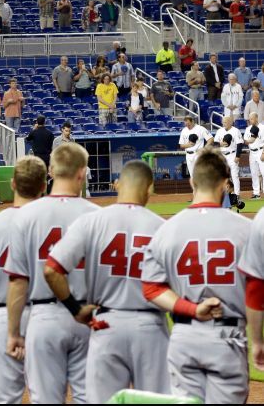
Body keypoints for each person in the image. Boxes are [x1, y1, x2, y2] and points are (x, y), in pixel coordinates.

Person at [45, 160, 169, 403]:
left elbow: (52, 270)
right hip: (151, 327)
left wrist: (76, 309)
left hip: (106, 324)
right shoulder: (163, 228)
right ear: (150, 189)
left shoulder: (91, 221)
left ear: (117, 184)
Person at [142, 150, 250, 404]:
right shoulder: (248, 230)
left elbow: (151, 288)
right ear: (226, 183)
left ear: (192, 181)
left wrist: (193, 308)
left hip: (184, 336)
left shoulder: (167, 229)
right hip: (229, 337)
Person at [5, 143, 98, 403]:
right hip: (88, 316)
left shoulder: (26, 215)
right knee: (90, 397)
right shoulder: (98, 216)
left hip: (43, 317)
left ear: (52, 172)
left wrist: (13, 332)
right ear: (82, 173)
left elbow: (17, 281)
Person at [0, 157, 44, 403]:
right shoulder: (51, 222)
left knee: (3, 398)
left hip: (3, 316)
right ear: (43, 186)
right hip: (47, 314)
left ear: (12, 184)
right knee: (46, 395)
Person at [215, 116, 244, 196]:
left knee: (234, 175)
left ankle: (237, 194)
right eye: (223, 122)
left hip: (232, 154)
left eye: (226, 122)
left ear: (231, 122)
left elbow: (240, 144)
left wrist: (237, 156)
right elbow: (214, 144)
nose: (224, 123)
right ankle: (224, 193)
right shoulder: (219, 131)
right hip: (222, 155)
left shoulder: (235, 131)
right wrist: (219, 144)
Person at [245, 112, 263, 199]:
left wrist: (263, 153)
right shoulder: (248, 128)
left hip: (261, 150)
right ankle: (256, 193)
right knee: (254, 173)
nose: (250, 120)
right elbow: (245, 140)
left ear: (256, 118)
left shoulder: (262, 128)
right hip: (252, 152)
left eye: (252, 118)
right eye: (249, 119)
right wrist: (250, 139)